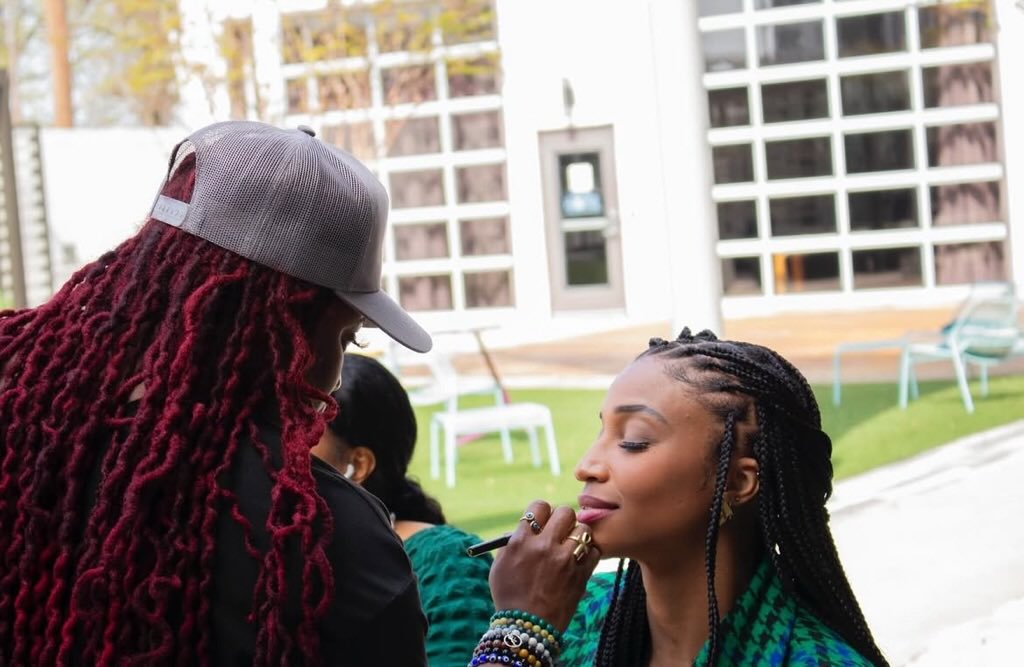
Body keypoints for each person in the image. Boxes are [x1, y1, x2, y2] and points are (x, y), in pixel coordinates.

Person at [0, 121, 433, 665]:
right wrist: (516, 633)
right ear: (288, 327)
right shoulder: (329, 539)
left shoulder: (23, 449)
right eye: (346, 338)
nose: (338, 378)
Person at [477, 328, 888, 666]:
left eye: (633, 440)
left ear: (738, 482)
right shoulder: (573, 612)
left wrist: (516, 634)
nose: (586, 466)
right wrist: (528, 623)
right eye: (602, 432)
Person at [312, 352, 494, 667]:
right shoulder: (278, 552)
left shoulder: (445, 560)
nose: (281, 452)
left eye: (304, 438)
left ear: (358, 465)